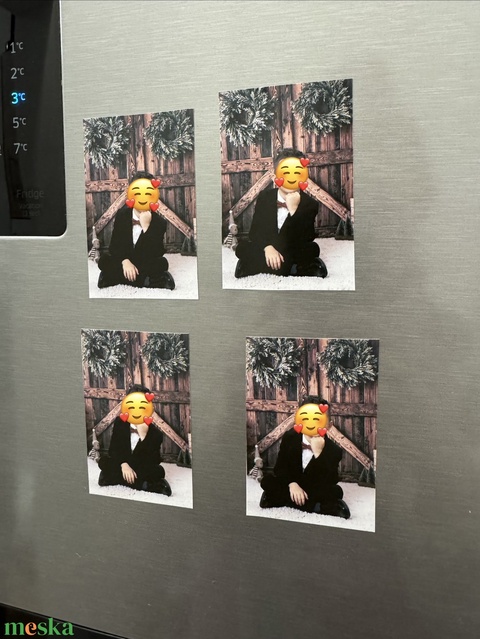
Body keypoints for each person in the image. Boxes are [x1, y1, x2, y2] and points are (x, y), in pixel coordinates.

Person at [234, 148, 327, 279]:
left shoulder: (310, 203)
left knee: (312, 249)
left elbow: (306, 237)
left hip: (292, 246)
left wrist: (294, 211)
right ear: (275, 177)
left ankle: (253, 266)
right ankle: (294, 268)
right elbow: (255, 232)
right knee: (242, 247)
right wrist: (268, 248)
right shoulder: (265, 197)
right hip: (269, 246)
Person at [259, 396, 350, 518]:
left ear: (329, 425)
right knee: (267, 481)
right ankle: (317, 506)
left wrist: (318, 454)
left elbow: (330, 479)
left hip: (314, 486)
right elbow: (280, 468)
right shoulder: (290, 437)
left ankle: (279, 499)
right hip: (293, 483)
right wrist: (292, 484)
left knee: (335, 491)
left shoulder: (334, 450)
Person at [97, 170, 175, 290]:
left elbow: (156, 252)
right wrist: (125, 261)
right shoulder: (122, 215)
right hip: (125, 260)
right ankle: (146, 280)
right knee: (104, 260)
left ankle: (113, 278)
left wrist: (146, 228)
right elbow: (114, 247)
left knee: (161, 263)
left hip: (145, 260)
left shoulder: (159, 222)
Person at [98, 384, 172, 496]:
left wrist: (143, 436)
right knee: (103, 461)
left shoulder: (155, 433)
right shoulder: (120, 423)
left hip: (141, 465)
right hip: (123, 463)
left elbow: (153, 460)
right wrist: (124, 464)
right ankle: (144, 485)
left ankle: (112, 478)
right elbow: (113, 450)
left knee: (158, 471)